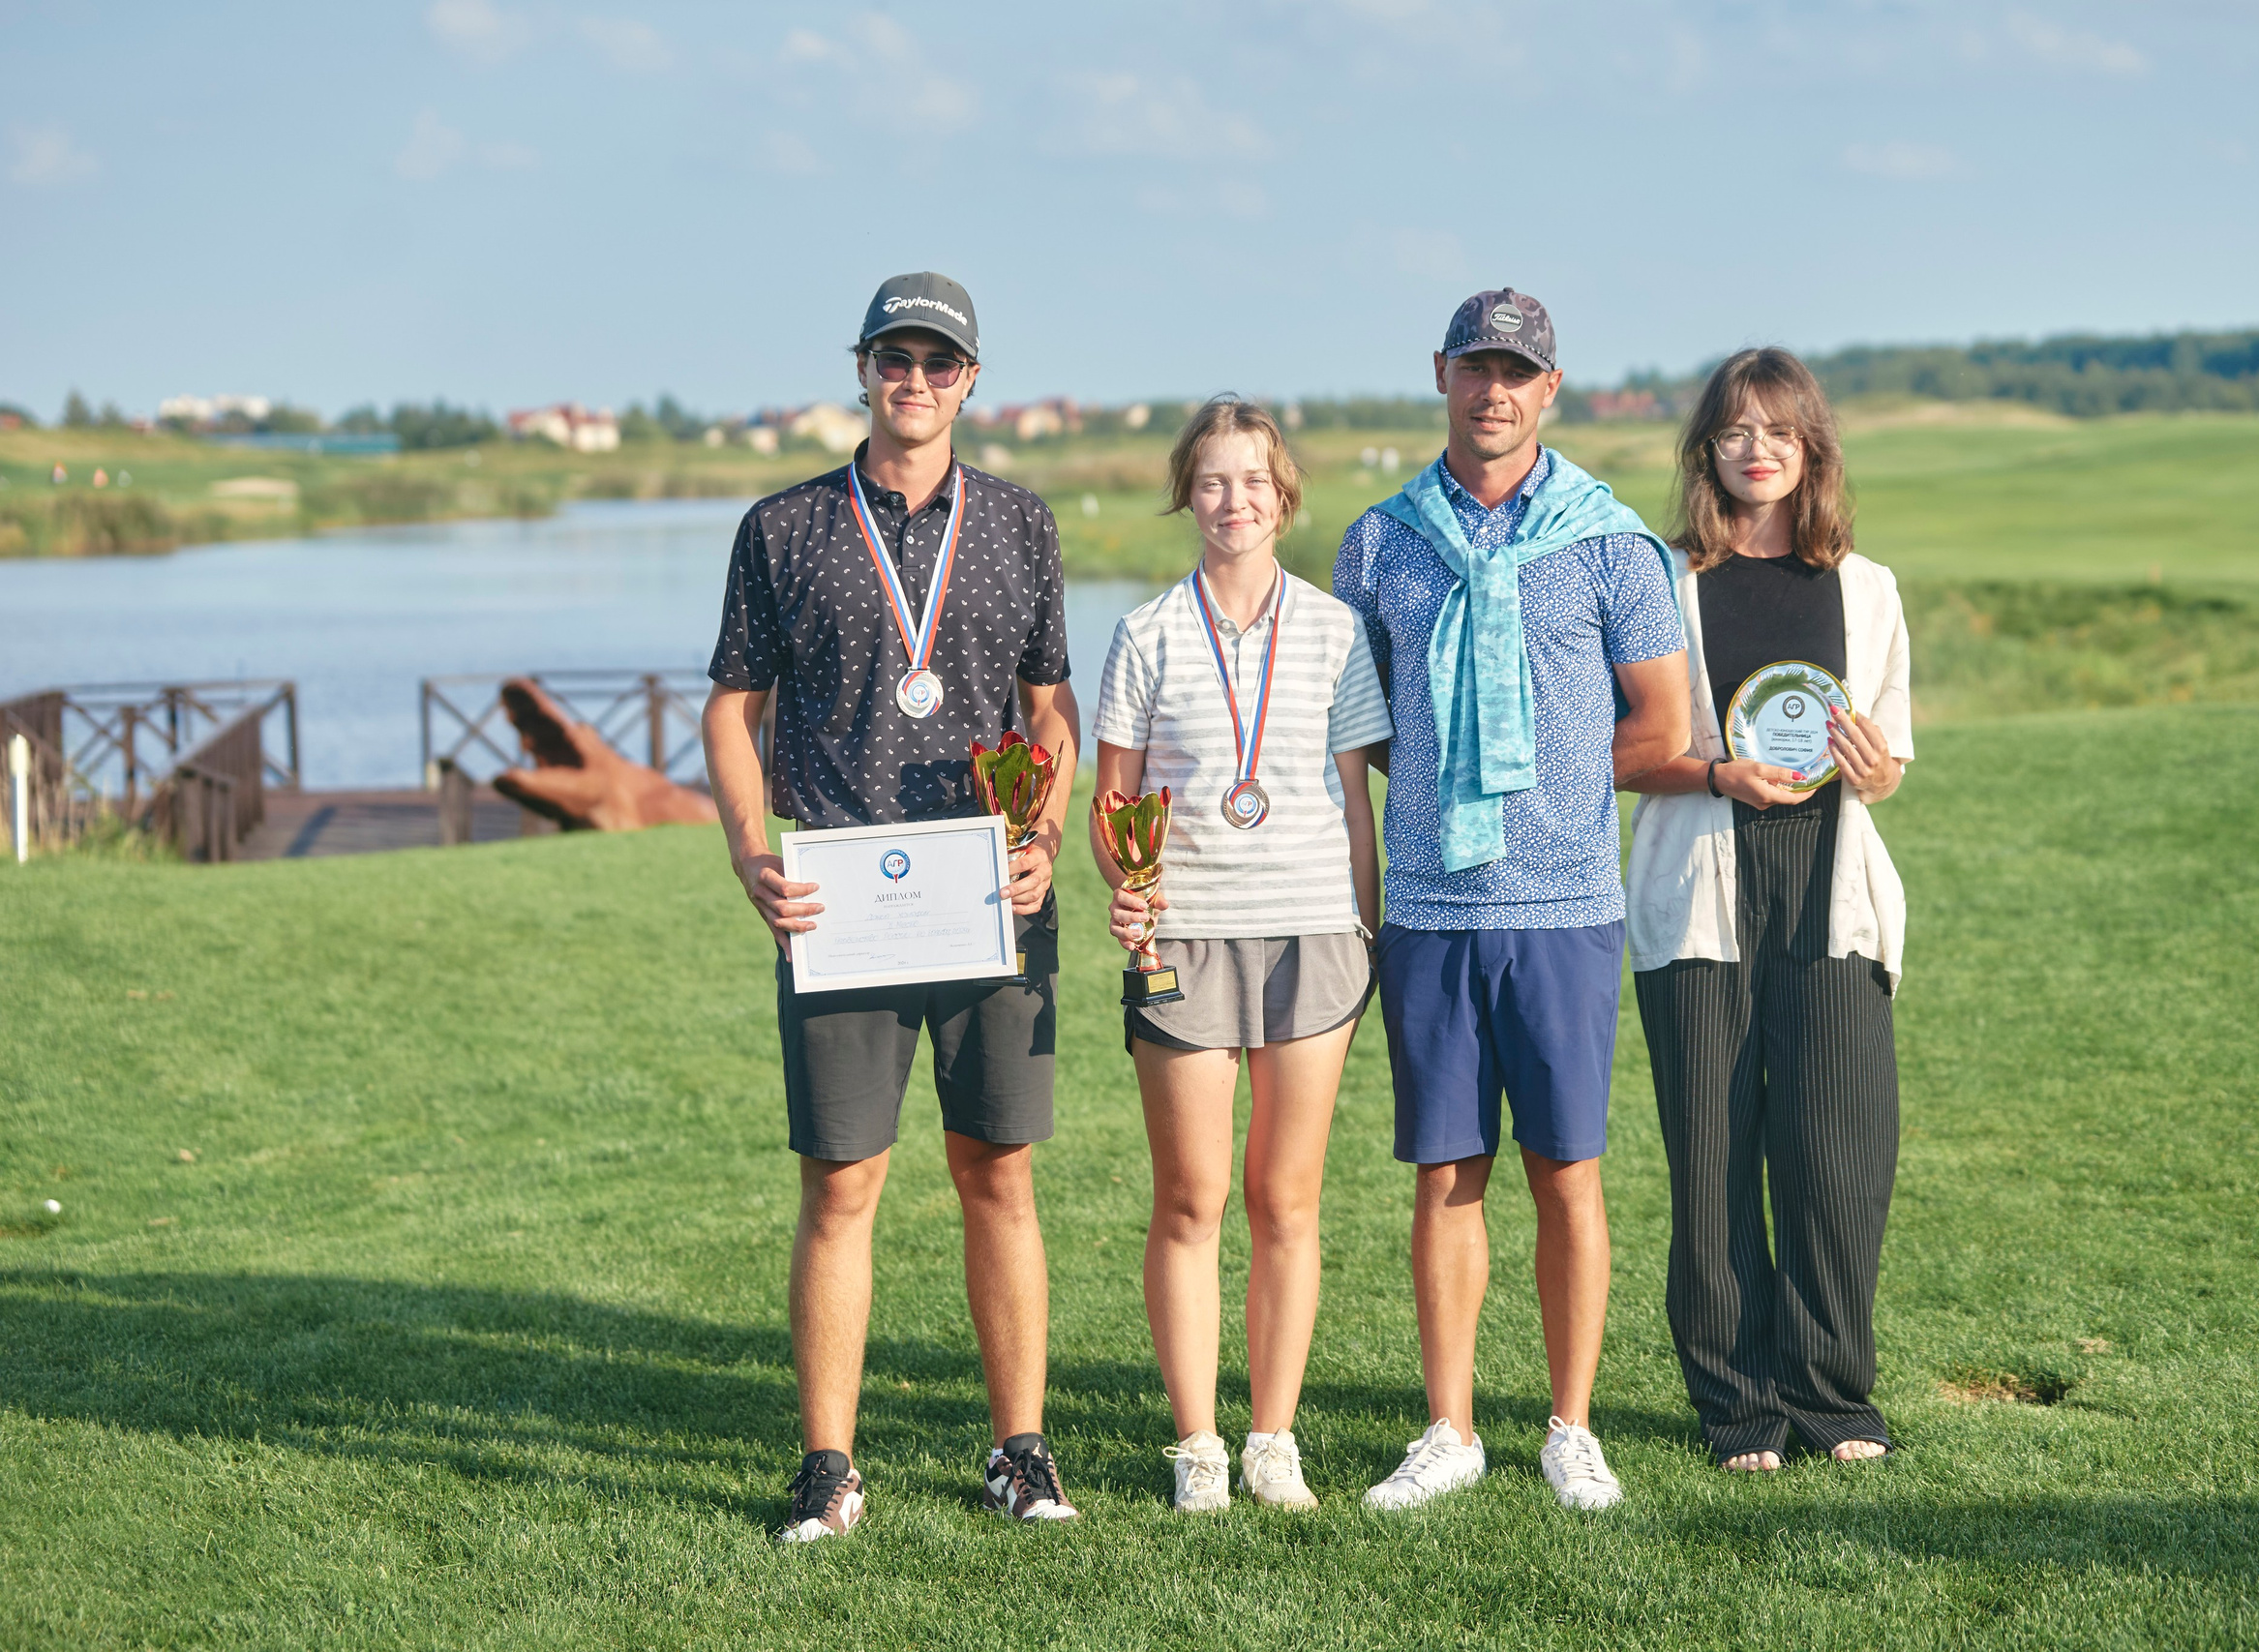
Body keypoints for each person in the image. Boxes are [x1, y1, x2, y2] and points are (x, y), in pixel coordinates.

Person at [702, 272, 1085, 1539]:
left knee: (1000, 1178)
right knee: (841, 1183)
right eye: (894, 357)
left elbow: (1049, 712)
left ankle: (1020, 1451)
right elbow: (731, 705)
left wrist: (1041, 836)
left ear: (972, 378)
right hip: (845, 898)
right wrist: (752, 850)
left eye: (938, 360)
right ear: (862, 368)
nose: (914, 379)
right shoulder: (785, 527)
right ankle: (828, 1463)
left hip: (989, 897)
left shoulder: (1023, 524)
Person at [1332, 289, 1692, 1512]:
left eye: (1517, 373)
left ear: (1550, 389)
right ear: (1441, 373)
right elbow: (1364, 725)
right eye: (1475, 367)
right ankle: (1448, 1428)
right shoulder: (1379, 543)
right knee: (1444, 1173)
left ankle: (1570, 1426)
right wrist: (1447, 775)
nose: (1493, 390)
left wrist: (1536, 784)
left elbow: (1664, 725)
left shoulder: (1612, 543)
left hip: (1566, 906)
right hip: (1432, 909)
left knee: (1565, 1171)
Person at [1088, 397, 1392, 1513]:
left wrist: (1368, 928)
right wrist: (1127, 888)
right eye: (1212, 481)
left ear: (1284, 495)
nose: (1234, 501)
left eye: (1253, 481)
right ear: (1186, 494)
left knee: (1287, 1197)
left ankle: (1273, 1437)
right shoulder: (1145, 634)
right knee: (1191, 1196)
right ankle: (1197, 1445)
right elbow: (1111, 797)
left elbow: (1355, 801)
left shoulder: (1335, 629)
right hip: (1185, 937)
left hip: (1314, 933)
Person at [1620, 346, 1913, 1472]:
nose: (1757, 450)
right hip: (1698, 888)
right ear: (1708, 449)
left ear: (1811, 449)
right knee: (1711, 1154)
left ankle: (1834, 1399)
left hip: (1829, 890)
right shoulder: (1663, 584)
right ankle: (1738, 1404)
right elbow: (1625, 755)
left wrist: (1877, 772)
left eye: (1779, 432)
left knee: (1836, 1152)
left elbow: (1885, 761)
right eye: (1736, 431)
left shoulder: (1866, 586)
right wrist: (1715, 774)